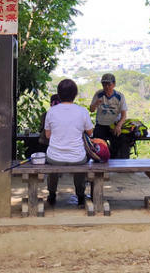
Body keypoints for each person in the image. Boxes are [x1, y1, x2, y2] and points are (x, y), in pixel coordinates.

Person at [44, 79, 93, 208]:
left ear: (59, 94)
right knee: (81, 161)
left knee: (52, 162)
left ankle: (52, 193)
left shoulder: (51, 112)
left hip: (54, 156)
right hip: (77, 157)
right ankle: (81, 195)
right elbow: (90, 132)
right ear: (75, 94)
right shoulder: (82, 111)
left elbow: (48, 135)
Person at [89, 73, 128, 158]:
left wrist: (119, 126)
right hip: (101, 125)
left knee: (119, 145)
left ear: (114, 84)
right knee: (98, 147)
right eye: (104, 84)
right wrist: (96, 104)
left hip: (114, 125)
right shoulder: (98, 94)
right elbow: (91, 110)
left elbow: (124, 115)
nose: (106, 86)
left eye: (109, 84)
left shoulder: (119, 96)